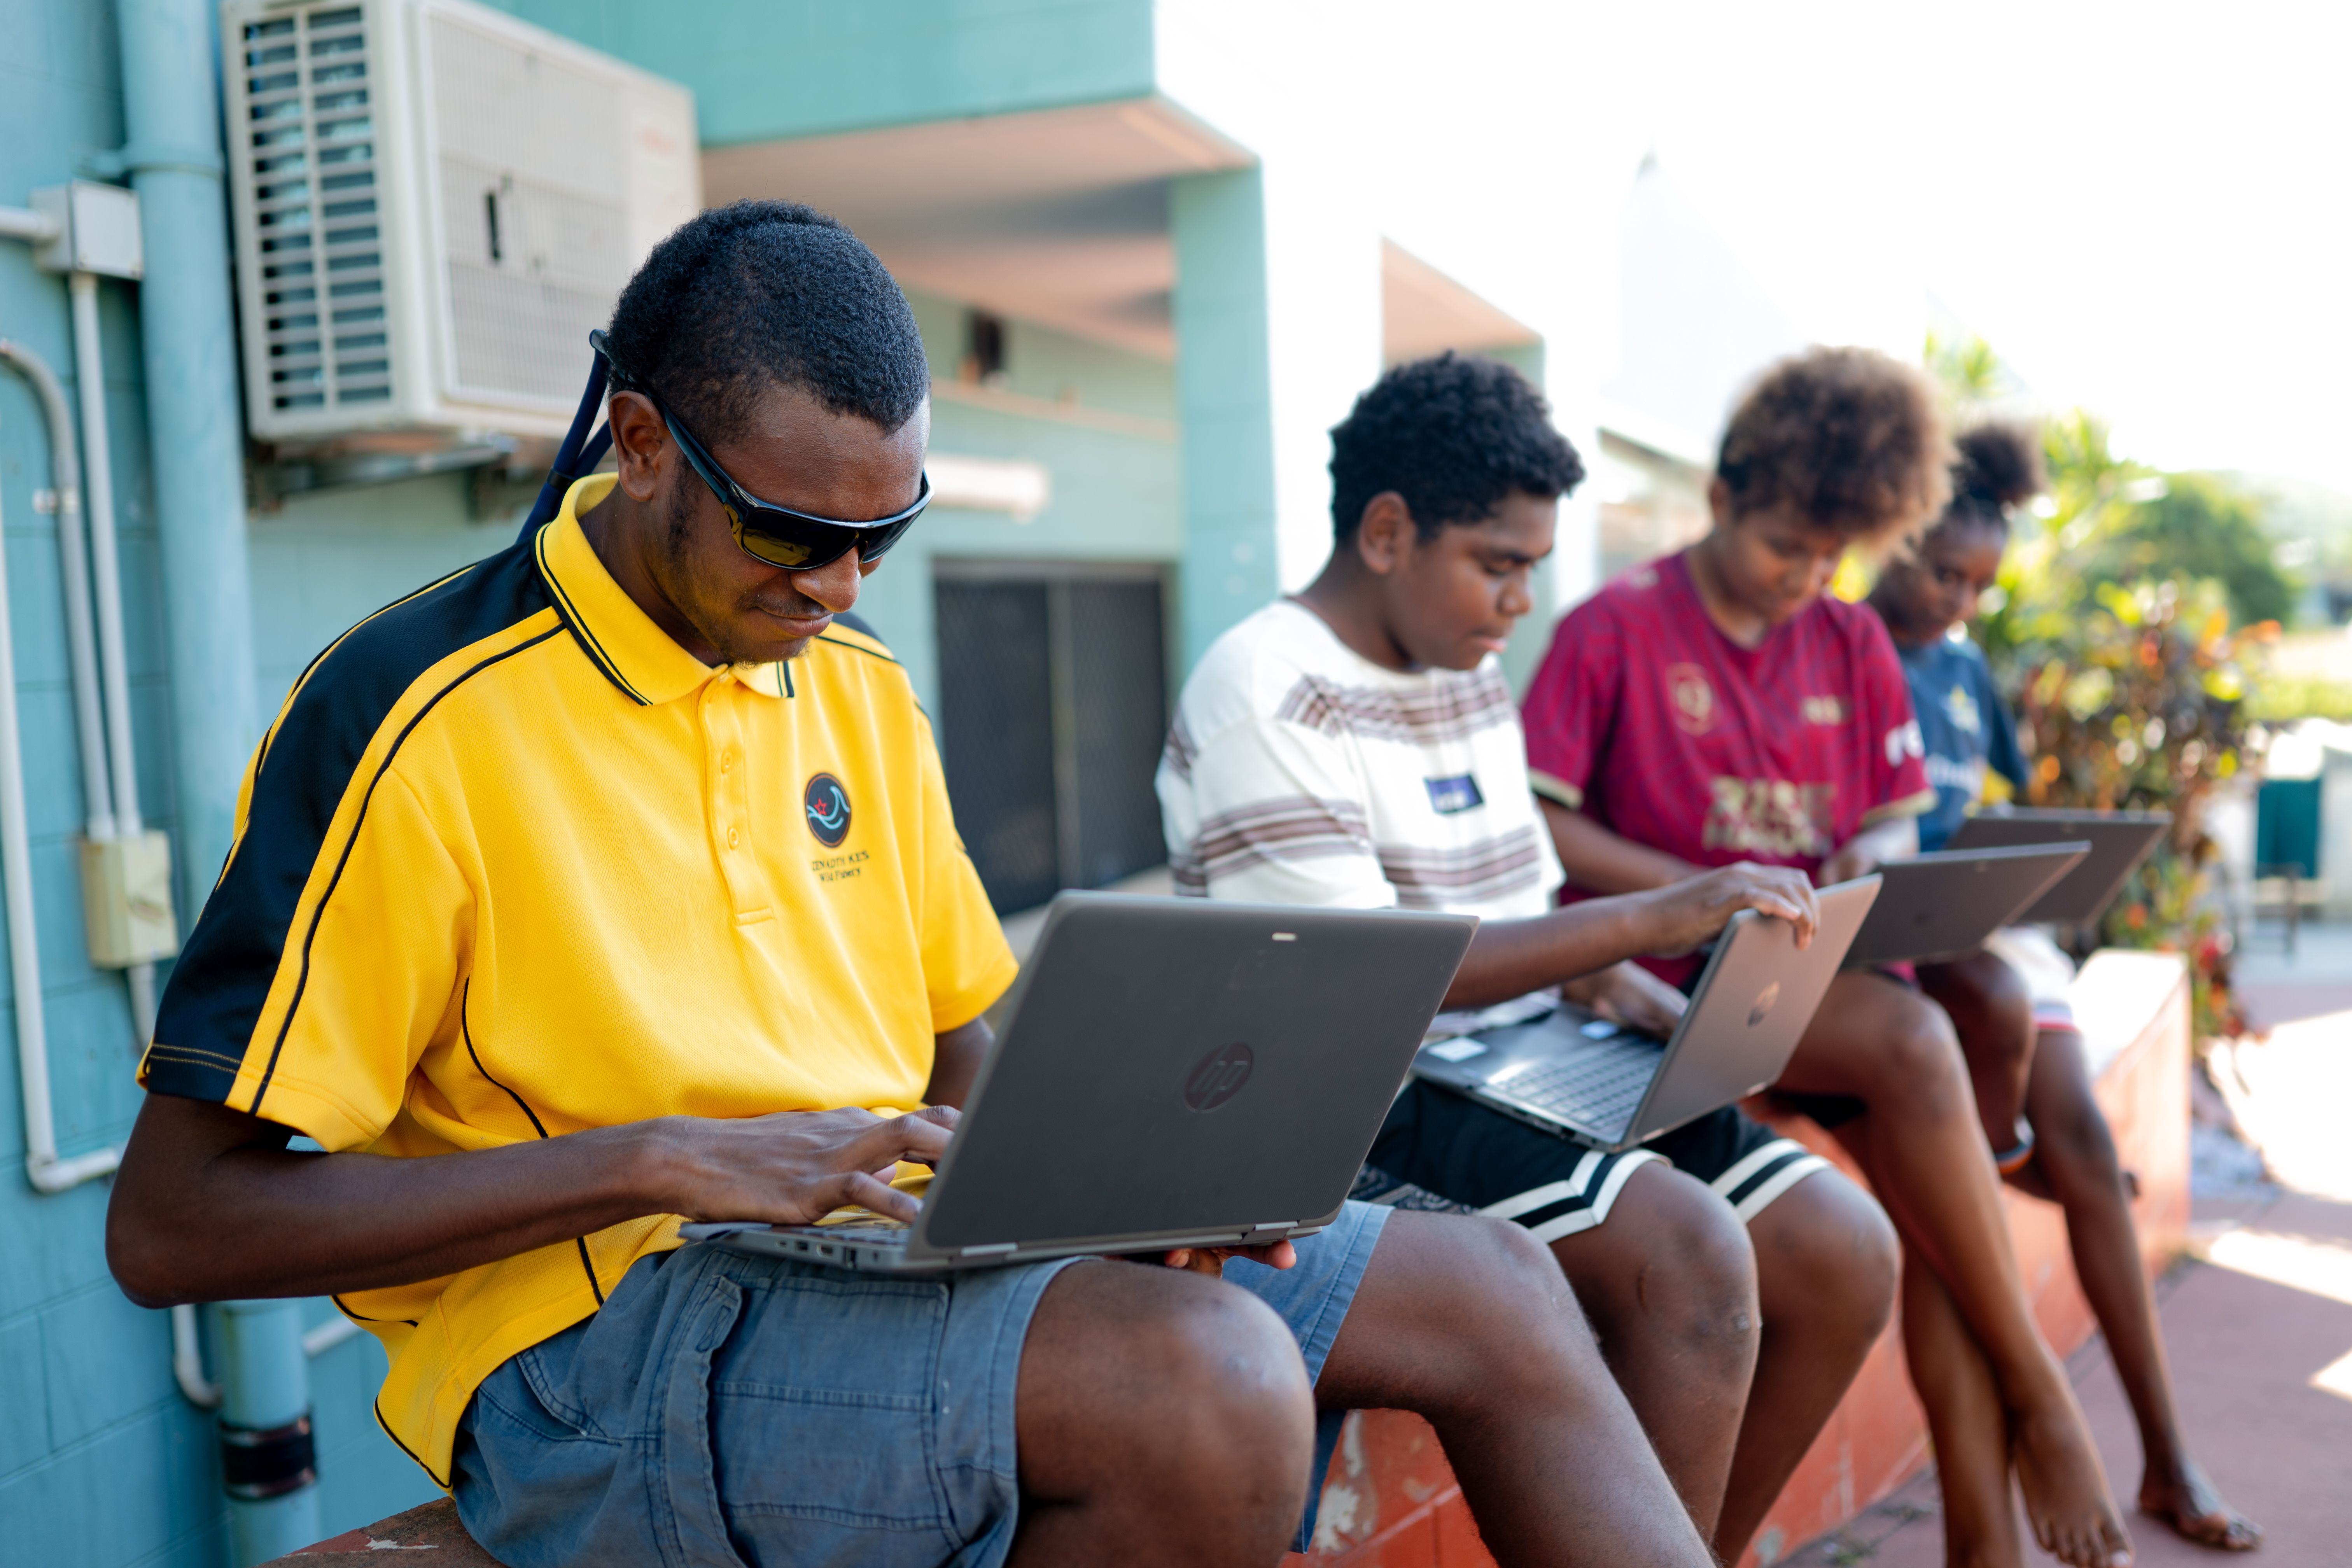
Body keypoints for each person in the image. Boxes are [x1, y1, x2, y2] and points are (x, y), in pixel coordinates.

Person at [103, 206, 1715, 1568]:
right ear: (643, 441)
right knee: (1206, 1389)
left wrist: (1119, 1198)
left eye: (885, 533)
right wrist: (667, 1157)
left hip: (881, 1247)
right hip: (587, 1349)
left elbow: (962, 1047)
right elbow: (174, 1226)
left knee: (1502, 1293)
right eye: (794, 532)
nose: (838, 584)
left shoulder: (855, 686)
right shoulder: (415, 714)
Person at [1157, 352, 1900, 1564]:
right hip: (1370, 1095)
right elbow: (1374, 991)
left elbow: (1519, 915)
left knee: (1842, 1247)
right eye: (1497, 566)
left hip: (1531, 1053)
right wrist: (1658, 915)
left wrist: (1637, 995)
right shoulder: (1266, 687)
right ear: (1388, 533)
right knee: (1692, 1261)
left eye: (1532, 573)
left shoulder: (1466, 672)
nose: (1517, 604)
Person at [1522, 347, 2136, 1568]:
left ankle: (1985, 1534)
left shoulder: (1850, 640)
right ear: (1720, 499)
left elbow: (1893, 816)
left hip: (1813, 984)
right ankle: (2044, 1400)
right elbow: (1541, 823)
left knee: (1930, 1174)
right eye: (1784, 545)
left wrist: (1869, 857)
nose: (1806, 579)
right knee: (1918, 1049)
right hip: (1659, 988)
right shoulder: (1614, 630)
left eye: (1830, 556)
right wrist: (1697, 894)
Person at [1868, 424, 2260, 1554]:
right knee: (1989, 1151)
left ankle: (2168, 1461)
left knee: (2089, 1150)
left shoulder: (1959, 671)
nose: (1958, 601)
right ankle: (2001, 1171)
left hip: (1984, 935)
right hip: (1905, 949)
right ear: (1889, 540)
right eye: (1942, 572)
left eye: (1980, 584)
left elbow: (1985, 808)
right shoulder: (1842, 646)